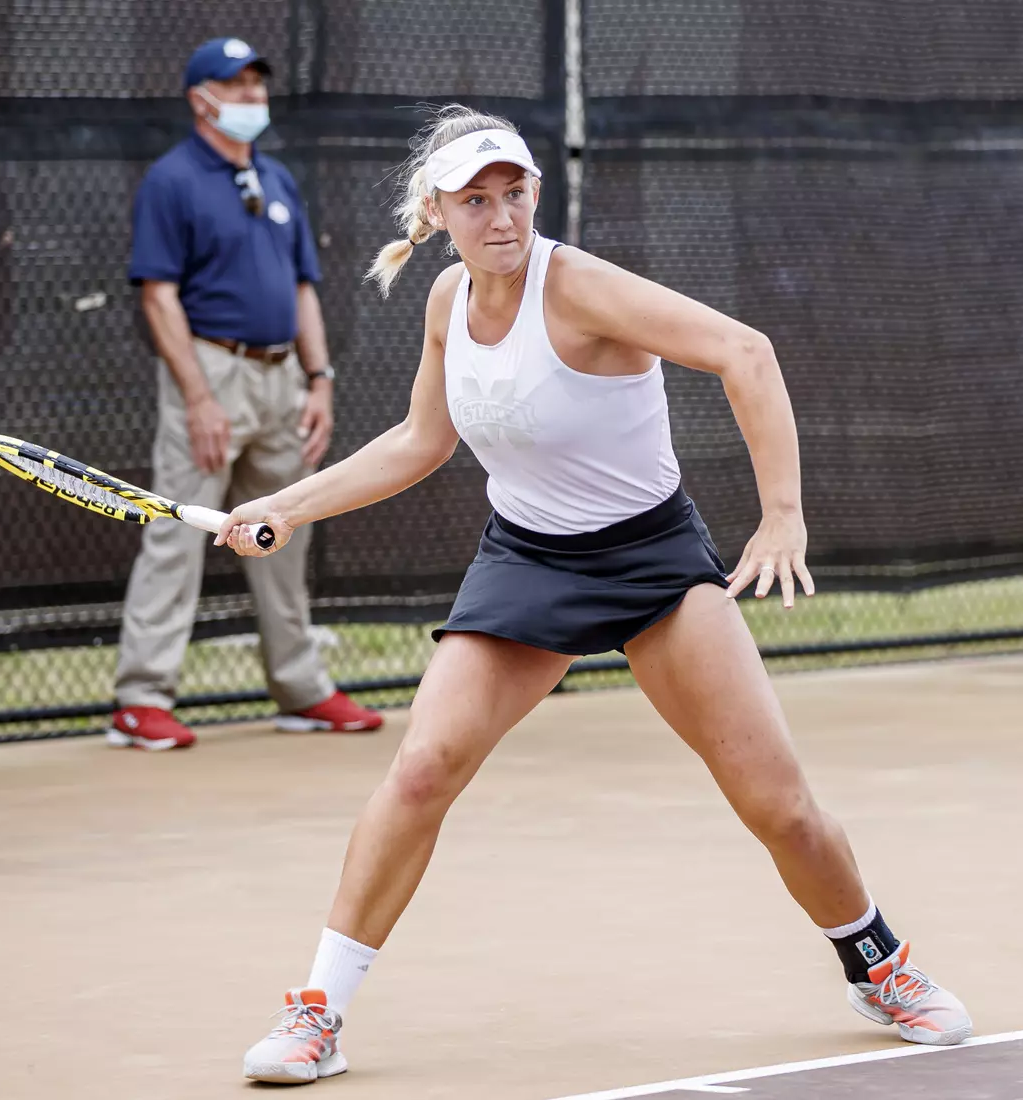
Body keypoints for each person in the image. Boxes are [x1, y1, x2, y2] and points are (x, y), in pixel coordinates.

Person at [218, 105, 973, 1085]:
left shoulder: (579, 286)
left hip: (651, 557)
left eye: (515, 192)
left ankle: (877, 963)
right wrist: (288, 502)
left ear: (536, 191)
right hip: (527, 559)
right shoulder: (448, 299)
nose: (501, 216)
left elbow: (746, 352)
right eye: (477, 200)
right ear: (439, 210)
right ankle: (317, 1011)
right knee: (419, 769)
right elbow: (420, 442)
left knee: (777, 804)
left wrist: (781, 514)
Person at [109, 37, 383, 750]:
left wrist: (318, 380)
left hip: (283, 376)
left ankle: (302, 689)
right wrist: (199, 396)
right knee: (176, 532)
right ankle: (140, 700)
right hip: (211, 373)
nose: (252, 96)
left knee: (283, 527)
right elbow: (159, 297)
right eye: (235, 85)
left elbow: (303, 289)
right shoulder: (171, 181)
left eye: (258, 83)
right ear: (201, 99)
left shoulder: (279, 179)